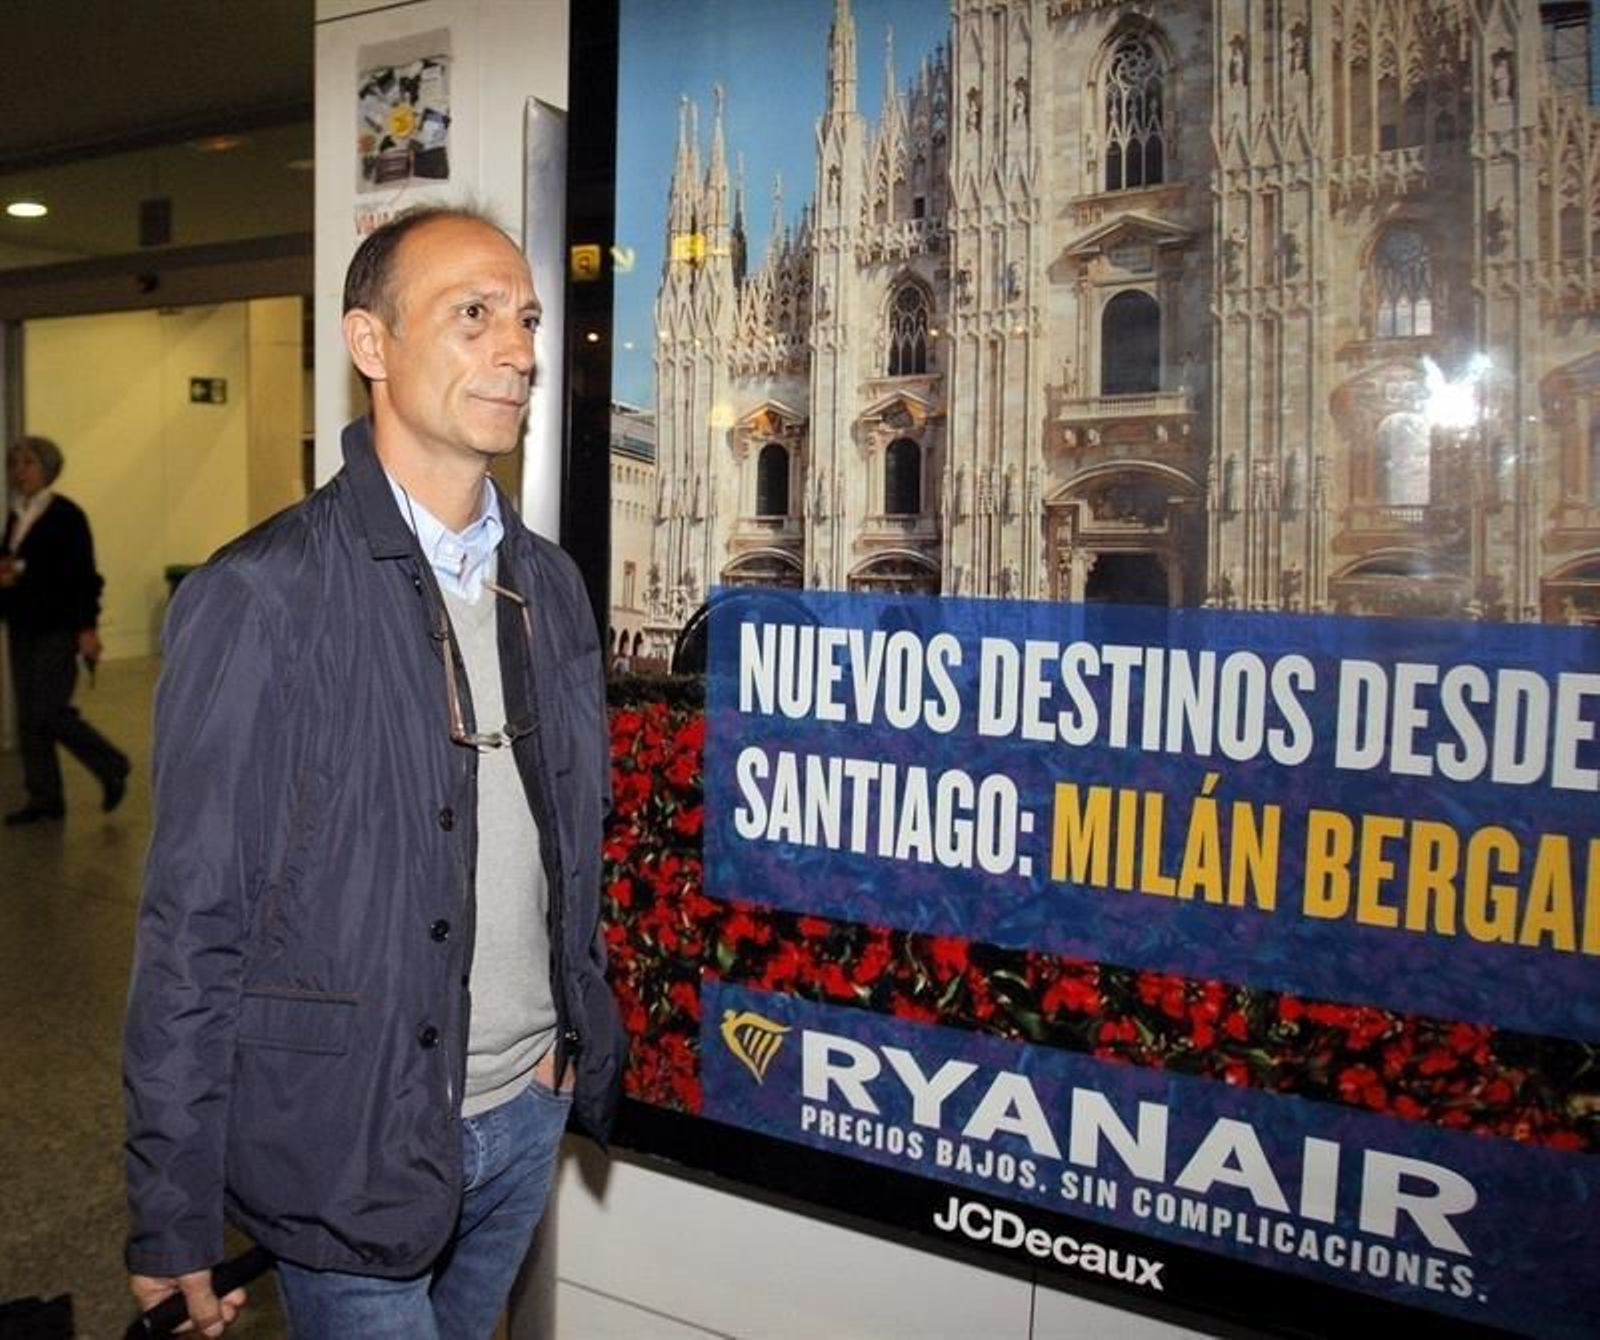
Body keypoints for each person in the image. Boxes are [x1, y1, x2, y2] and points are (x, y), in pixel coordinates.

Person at [123, 205, 626, 1338]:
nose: (521, 349)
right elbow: (193, 926)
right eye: (473, 316)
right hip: (346, 1140)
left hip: (527, 1112)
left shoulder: (548, 588)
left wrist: (564, 1051)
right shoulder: (261, 596)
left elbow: (565, 843)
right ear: (370, 346)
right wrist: (171, 1208)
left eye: (528, 319)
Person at [0, 435, 129, 825]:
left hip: (57, 628)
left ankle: (111, 764)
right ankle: (45, 799)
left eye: (28, 463)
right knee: (29, 718)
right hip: (22, 626)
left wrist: (88, 628)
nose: (19, 471)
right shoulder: (16, 515)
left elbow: (83, 578)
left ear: (48, 468)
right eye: (15, 464)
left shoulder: (66, 515)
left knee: (49, 711)